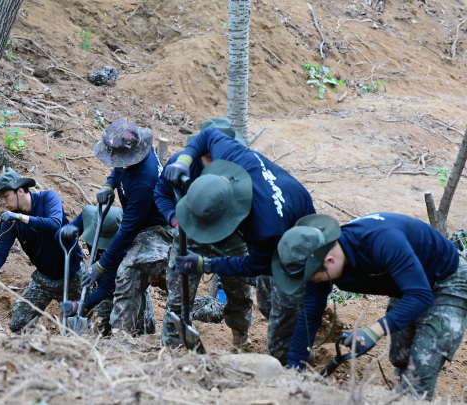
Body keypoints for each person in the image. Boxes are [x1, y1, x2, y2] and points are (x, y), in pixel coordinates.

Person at [274, 213, 467, 399]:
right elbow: (310, 313)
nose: (314, 283)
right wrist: (295, 368)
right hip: (407, 284)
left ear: (329, 261)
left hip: (446, 279)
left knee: (421, 367)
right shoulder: (321, 259)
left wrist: (374, 331)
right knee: (401, 355)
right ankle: (402, 391)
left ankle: (414, 396)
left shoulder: (382, 240)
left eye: (314, 278)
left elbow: (420, 295)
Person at [165, 128, 315, 364]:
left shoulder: (266, 230)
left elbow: (256, 265)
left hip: (299, 240)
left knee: (282, 313)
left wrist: (206, 264)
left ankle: (293, 362)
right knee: (266, 303)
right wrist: (185, 159)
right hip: (278, 208)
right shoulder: (233, 155)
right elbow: (209, 134)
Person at [155, 117, 266, 349]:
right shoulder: (179, 165)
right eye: (209, 158)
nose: (216, 162)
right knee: (178, 297)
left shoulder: (243, 168)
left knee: (239, 294)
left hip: (232, 238)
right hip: (190, 236)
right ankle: (171, 349)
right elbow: (161, 193)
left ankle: (240, 342)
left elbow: (256, 208)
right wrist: (175, 220)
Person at [0, 170, 82, 333]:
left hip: (71, 276)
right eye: (0, 198)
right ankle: (38, 346)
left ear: (20, 191)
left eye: (6, 196)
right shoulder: (10, 220)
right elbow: (0, 252)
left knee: (77, 329)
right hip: (44, 279)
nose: (3, 201)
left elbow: (54, 224)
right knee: (18, 325)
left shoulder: (48, 199)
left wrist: (20, 218)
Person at [91, 118, 170, 335]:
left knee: (128, 270)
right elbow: (118, 167)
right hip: (139, 223)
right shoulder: (132, 154)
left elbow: (129, 229)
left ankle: (122, 338)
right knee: (126, 264)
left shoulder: (145, 179)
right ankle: (144, 327)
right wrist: (109, 184)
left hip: (158, 229)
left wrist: (101, 265)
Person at [58, 205, 123, 335]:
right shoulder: (89, 215)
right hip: (98, 275)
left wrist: (79, 305)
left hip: (122, 289)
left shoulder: (122, 249)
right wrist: (65, 232)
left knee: (115, 330)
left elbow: (106, 289)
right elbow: (64, 233)